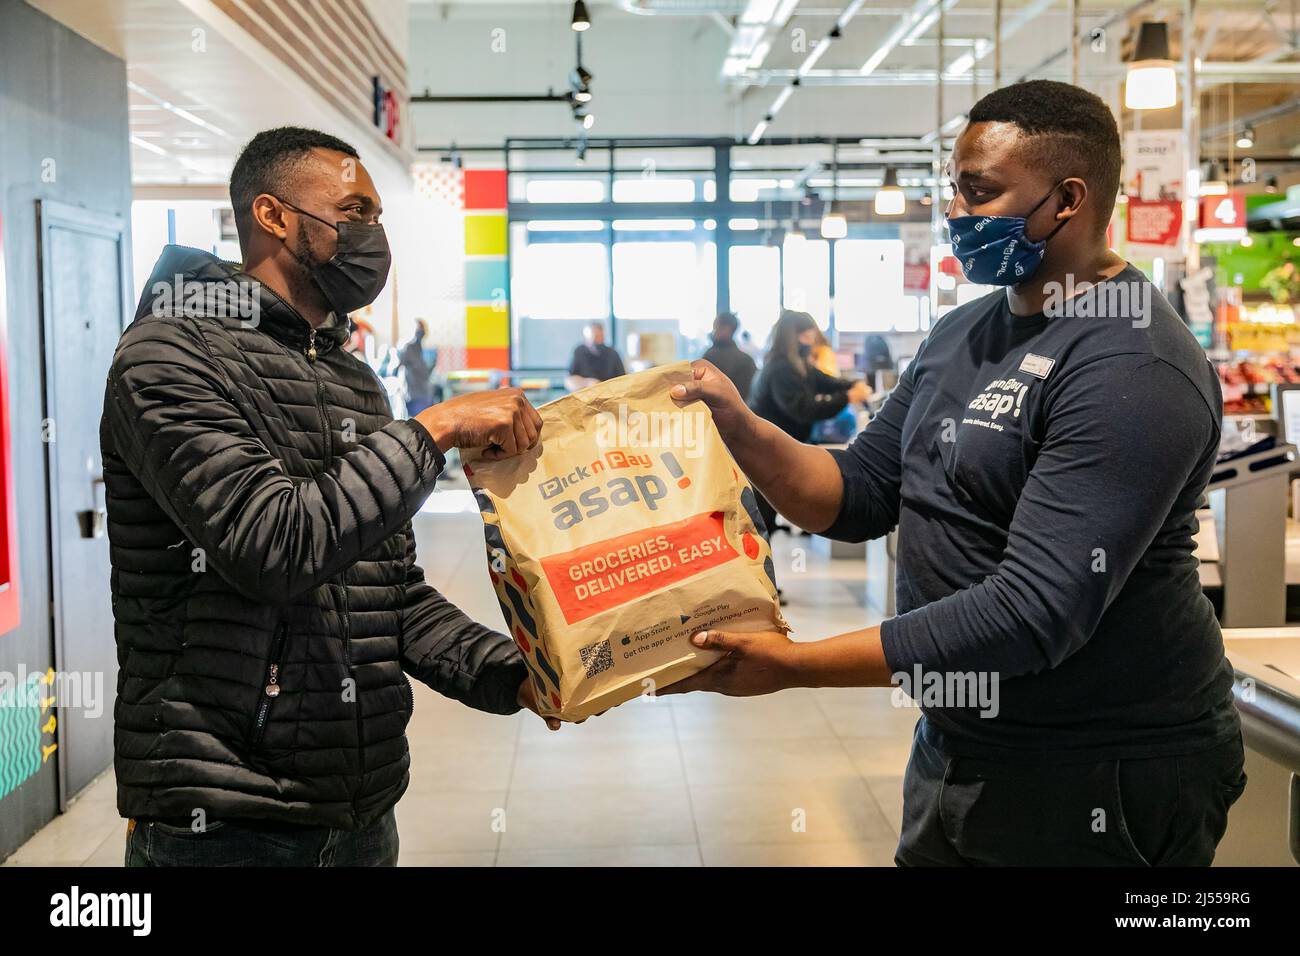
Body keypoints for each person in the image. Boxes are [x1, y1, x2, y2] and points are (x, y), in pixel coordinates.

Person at [666, 80, 1245, 866]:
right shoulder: (963, 332)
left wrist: (796, 667)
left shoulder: (1131, 362)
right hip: (959, 741)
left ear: (1066, 200)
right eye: (955, 190)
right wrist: (741, 427)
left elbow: (1031, 612)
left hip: (1103, 767)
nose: (957, 215)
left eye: (981, 192)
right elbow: (860, 491)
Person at [102, 126, 554, 868]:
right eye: (355, 211)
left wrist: (517, 673)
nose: (372, 234)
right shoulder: (167, 354)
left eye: (377, 216)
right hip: (225, 821)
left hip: (361, 812)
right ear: (274, 216)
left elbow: (391, 595)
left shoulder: (352, 380)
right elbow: (273, 546)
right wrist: (432, 431)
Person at [701, 311, 757, 401]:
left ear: (727, 329)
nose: (713, 332)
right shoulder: (747, 360)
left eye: (716, 327)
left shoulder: (710, 357)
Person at [565, 322, 625, 390]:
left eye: (599, 336)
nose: (596, 340)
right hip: (585, 393)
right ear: (586, 337)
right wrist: (587, 383)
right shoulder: (579, 352)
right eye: (594, 336)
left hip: (608, 393)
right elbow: (570, 379)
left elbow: (622, 379)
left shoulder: (613, 353)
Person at [399, 318, 435, 415]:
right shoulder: (408, 348)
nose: (420, 332)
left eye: (422, 329)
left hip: (425, 395)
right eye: (418, 329)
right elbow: (398, 368)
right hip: (414, 396)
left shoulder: (423, 349)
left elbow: (426, 372)